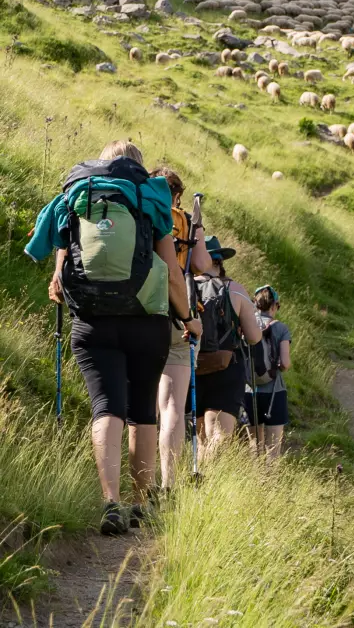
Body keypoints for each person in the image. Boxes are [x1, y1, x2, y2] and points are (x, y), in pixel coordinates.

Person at [28, 140, 201, 536]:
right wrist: (189, 319)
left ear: (100, 164)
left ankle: (110, 501)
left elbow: (59, 267)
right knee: (143, 409)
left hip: (92, 321)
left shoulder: (77, 194)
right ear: (138, 166)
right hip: (146, 319)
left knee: (107, 407)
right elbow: (173, 273)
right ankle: (141, 503)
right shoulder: (149, 197)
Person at [148, 165, 212, 490]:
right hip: (178, 316)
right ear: (178, 193)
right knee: (173, 405)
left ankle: (137, 487)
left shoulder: (138, 210)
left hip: (138, 314)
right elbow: (201, 266)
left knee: (142, 403)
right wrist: (197, 226)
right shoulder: (185, 219)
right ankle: (168, 484)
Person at [195, 237, 261, 452]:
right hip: (226, 366)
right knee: (219, 433)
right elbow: (253, 337)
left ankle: (196, 478)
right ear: (220, 261)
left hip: (190, 365)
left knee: (200, 433)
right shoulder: (236, 289)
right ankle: (209, 481)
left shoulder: (184, 287)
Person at [245, 286, 291, 463]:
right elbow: (285, 364)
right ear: (274, 306)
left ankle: (255, 486)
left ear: (256, 305)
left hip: (249, 391)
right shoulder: (281, 328)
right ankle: (270, 485)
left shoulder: (247, 324)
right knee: (272, 450)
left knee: (254, 446)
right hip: (274, 394)